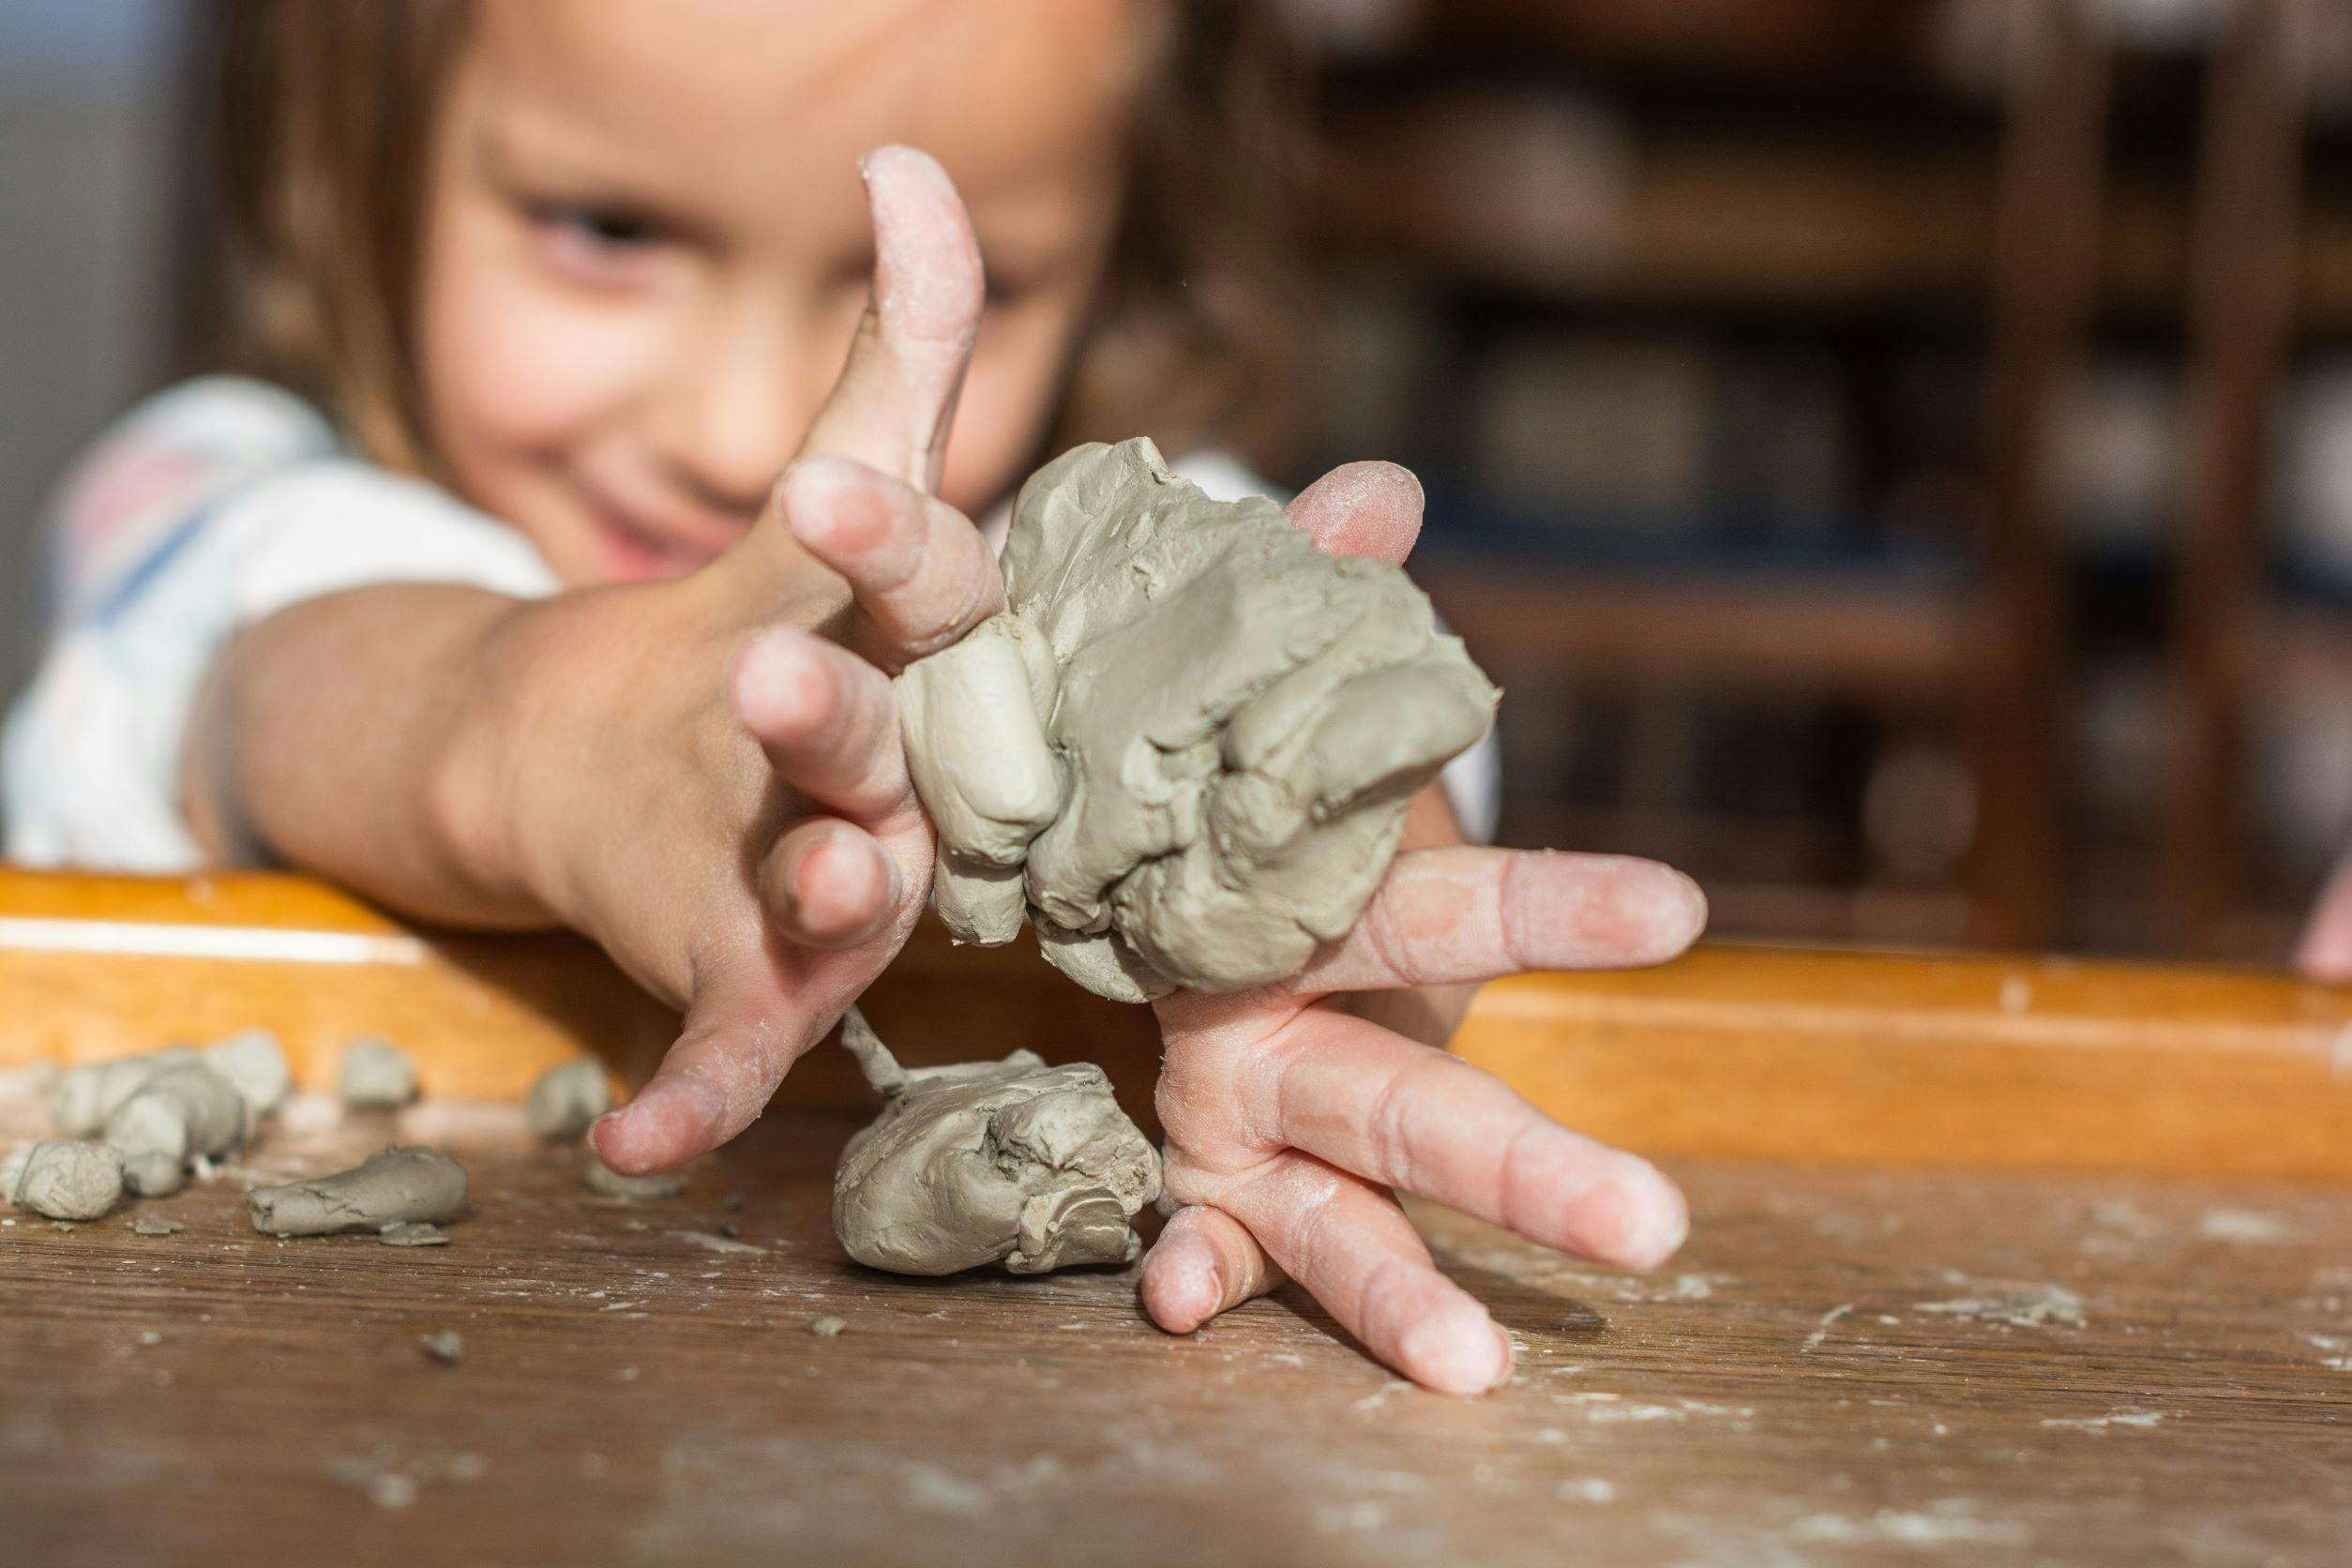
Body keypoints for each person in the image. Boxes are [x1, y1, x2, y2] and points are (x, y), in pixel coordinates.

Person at [7, 1, 1707, 1395]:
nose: (748, 422)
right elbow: (298, 669)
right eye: (607, 228)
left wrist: (1288, 919)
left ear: (1128, 234)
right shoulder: (216, 486)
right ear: (349, 166)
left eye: (980, 274)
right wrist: (552, 721)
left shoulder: (1126, 549)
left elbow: (1369, 793)